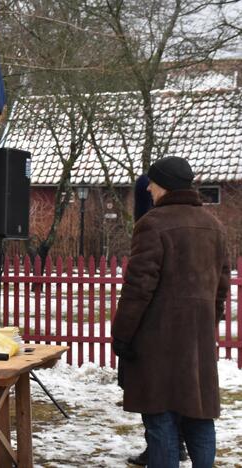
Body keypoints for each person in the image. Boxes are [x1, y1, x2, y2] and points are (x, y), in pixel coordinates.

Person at [112, 157, 230, 468]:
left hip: (157, 342)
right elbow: (221, 287)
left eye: (152, 182)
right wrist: (207, 325)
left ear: (163, 184)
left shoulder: (152, 223)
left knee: (161, 419)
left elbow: (138, 288)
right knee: (199, 417)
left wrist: (122, 335)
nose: (148, 188)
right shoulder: (214, 226)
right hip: (198, 343)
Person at [125, 174, 188, 466]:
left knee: (154, 389)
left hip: (155, 319)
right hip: (178, 317)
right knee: (169, 386)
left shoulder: (152, 224)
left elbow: (141, 283)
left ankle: (165, 446)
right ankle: (165, 445)